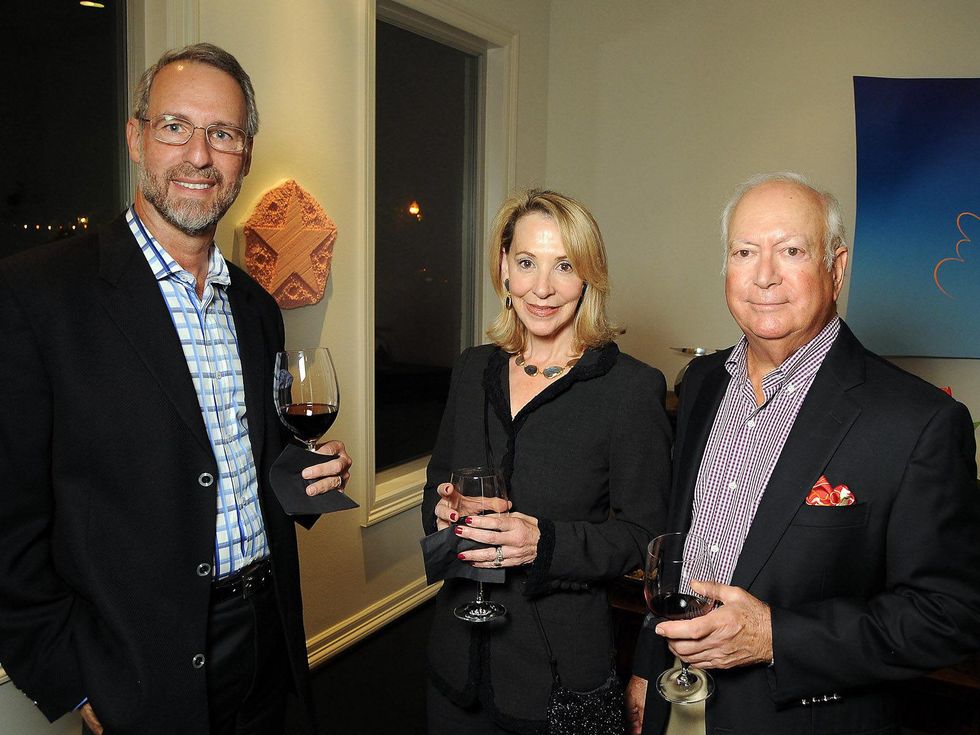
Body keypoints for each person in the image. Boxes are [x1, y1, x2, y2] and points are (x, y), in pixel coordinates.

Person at [0, 43, 351, 735]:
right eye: (175, 127)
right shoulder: (38, 296)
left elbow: (231, 464)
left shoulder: (256, 307)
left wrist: (302, 477)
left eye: (222, 134)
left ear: (244, 155)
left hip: (268, 636)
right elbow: (7, 524)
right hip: (140, 663)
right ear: (136, 137)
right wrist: (71, 678)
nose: (199, 155)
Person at [626, 172, 980, 735]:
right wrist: (648, 669)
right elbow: (679, 544)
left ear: (836, 269)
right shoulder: (701, 382)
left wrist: (776, 637)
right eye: (745, 252)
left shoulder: (919, 423)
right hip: (681, 704)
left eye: (791, 250)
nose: (764, 276)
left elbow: (949, 615)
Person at [421, 188, 672, 733]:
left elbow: (645, 535)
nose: (542, 287)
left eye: (564, 266)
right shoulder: (471, 370)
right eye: (527, 262)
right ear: (504, 268)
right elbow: (436, 483)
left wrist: (546, 544)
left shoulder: (631, 389)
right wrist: (441, 515)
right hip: (455, 662)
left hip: (557, 677)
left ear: (589, 277)